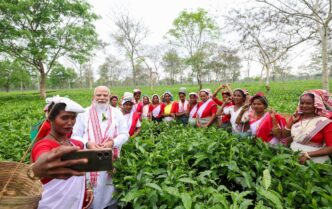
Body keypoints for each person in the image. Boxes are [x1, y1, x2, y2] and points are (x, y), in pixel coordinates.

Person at [30, 96, 93, 209]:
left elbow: (82, 172)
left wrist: (87, 188)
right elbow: (43, 157)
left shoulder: (76, 144)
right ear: (50, 119)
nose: (70, 122)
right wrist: (37, 168)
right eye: (64, 118)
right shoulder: (44, 145)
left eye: (73, 118)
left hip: (75, 202)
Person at [72, 86, 129, 209]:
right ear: (93, 97)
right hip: (90, 158)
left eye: (105, 95)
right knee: (92, 190)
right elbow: (75, 135)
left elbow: (125, 134)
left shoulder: (117, 113)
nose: (102, 98)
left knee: (110, 188)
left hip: (111, 158)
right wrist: (88, 144)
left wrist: (112, 142)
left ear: (109, 97)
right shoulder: (84, 113)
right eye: (99, 95)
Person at [282, 90, 332, 164]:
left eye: (309, 103)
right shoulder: (297, 118)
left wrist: (308, 154)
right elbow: (285, 135)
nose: (304, 106)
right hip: (293, 158)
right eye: (302, 103)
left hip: (315, 162)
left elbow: (330, 148)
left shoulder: (324, 122)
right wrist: (291, 122)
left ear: (316, 104)